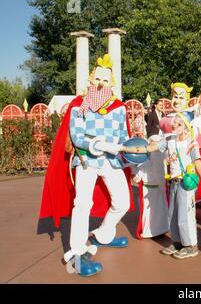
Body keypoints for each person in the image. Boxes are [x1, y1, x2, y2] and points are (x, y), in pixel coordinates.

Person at [39, 54, 133, 276]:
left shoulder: (119, 107)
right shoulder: (79, 106)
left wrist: (133, 154)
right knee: (82, 205)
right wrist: (100, 144)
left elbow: (123, 136)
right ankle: (79, 253)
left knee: (122, 202)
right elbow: (77, 136)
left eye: (105, 80)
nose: (101, 84)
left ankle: (103, 235)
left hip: (111, 162)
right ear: (91, 81)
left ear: (111, 84)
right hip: (86, 161)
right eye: (97, 79)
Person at [147, 111, 201, 259]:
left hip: (185, 182)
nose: (174, 124)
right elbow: (153, 147)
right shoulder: (170, 140)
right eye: (175, 121)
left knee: (185, 215)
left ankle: (190, 245)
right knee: (172, 214)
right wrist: (136, 147)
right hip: (173, 182)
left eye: (179, 123)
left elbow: (197, 162)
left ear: (186, 128)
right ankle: (177, 242)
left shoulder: (191, 142)